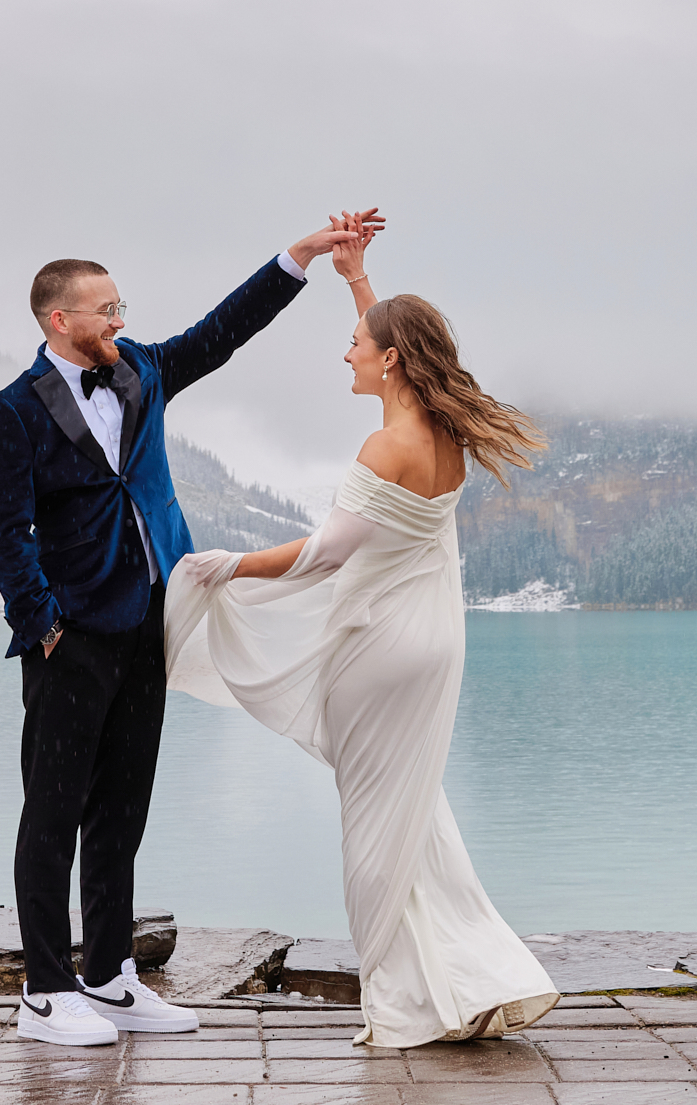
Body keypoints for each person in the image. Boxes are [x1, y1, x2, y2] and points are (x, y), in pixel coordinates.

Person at [0, 211, 382, 1048]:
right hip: (70, 636)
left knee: (123, 809)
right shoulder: (13, 410)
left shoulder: (145, 372)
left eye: (122, 304)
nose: (120, 320)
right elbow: (0, 527)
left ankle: (111, 977)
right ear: (61, 321)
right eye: (105, 309)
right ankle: (45, 989)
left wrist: (299, 256)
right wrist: (42, 621)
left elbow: (222, 332)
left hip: (153, 621)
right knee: (52, 813)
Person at [165, 228, 558, 1049]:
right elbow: (393, 342)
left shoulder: (384, 446)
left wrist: (227, 566)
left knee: (375, 832)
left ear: (388, 361)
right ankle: (474, 983)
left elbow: (322, 557)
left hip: (381, 651)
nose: (345, 355)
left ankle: (405, 1005)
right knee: (416, 819)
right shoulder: (442, 434)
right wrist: (356, 278)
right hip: (434, 643)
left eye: (354, 345)